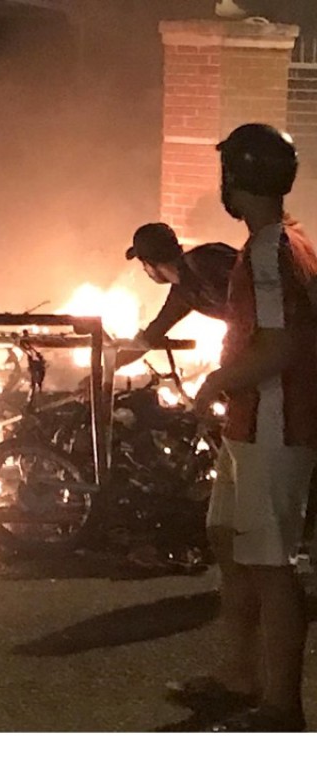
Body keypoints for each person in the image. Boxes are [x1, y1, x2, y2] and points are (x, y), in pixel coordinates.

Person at [187, 124, 317, 732]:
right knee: (229, 543)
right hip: (254, 427)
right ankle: (238, 677)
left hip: (274, 427)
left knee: (269, 565)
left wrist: (219, 382)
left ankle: (280, 707)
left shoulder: (269, 249)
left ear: (233, 180)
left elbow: (283, 344)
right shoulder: (287, 242)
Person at [117, 222, 237, 369]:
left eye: (143, 264)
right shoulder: (182, 294)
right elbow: (151, 336)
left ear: (151, 263)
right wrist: (109, 367)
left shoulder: (205, 260)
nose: (144, 270)